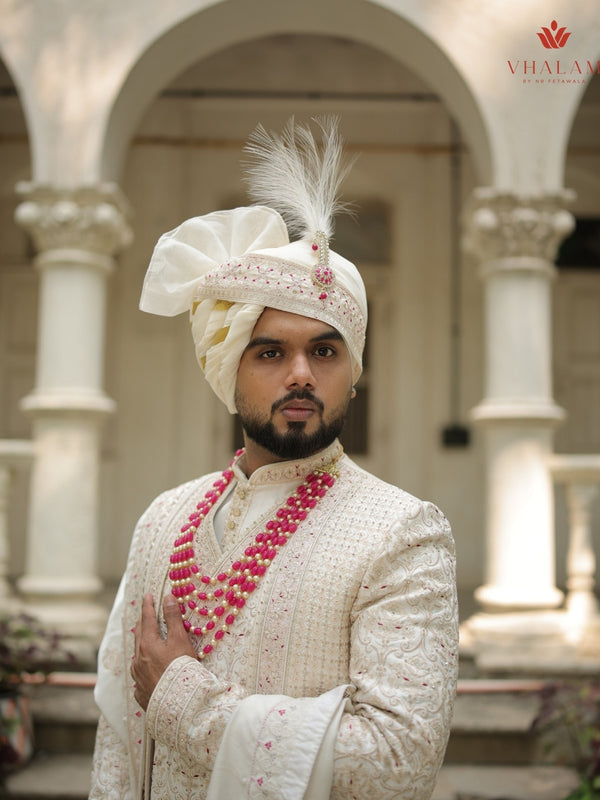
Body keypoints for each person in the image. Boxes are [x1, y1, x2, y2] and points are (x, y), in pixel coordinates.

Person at [90, 118, 458, 800]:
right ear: (227, 370)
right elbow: (118, 741)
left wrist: (186, 702)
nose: (299, 374)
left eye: (324, 351)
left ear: (353, 372)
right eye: (269, 352)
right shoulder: (163, 520)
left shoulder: (401, 532)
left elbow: (397, 763)